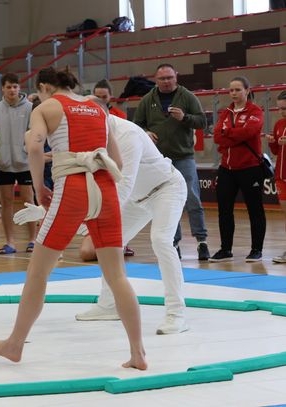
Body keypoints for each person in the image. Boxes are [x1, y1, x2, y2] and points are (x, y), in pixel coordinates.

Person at [0, 67, 147, 370]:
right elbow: (118, 161)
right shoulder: (98, 107)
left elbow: (34, 147)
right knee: (117, 275)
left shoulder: (46, 107)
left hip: (72, 188)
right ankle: (138, 353)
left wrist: (38, 186)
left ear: (45, 87)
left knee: (38, 272)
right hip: (106, 189)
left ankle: (15, 344)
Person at [75, 108, 189, 334]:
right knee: (109, 243)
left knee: (161, 240)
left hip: (166, 189)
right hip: (136, 198)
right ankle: (109, 304)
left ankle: (176, 314)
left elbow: (123, 185)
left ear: (104, 117)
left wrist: (90, 217)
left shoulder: (128, 135)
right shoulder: (92, 134)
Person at [133, 63, 209, 260]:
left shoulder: (187, 96)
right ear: (155, 80)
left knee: (192, 198)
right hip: (158, 161)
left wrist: (184, 118)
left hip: (183, 157)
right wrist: (145, 132)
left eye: (169, 78)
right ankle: (174, 244)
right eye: (162, 79)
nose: (166, 82)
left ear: (176, 76)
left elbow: (202, 121)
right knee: (168, 202)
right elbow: (136, 125)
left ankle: (201, 241)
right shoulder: (147, 99)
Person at [211, 76, 265, 262]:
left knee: (255, 209)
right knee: (224, 210)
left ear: (247, 91)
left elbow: (249, 132)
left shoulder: (255, 111)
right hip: (226, 168)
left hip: (250, 168)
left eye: (237, 90)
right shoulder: (225, 113)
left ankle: (256, 249)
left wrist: (227, 134)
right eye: (231, 90)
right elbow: (217, 137)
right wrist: (233, 136)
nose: (233, 93)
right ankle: (225, 249)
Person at [0, 73, 36, 254]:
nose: (12, 90)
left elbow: (35, 132)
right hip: (4, 164)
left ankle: (33, 240)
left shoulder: (30, 108)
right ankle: (10, 242)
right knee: (6, 202)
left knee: (28, 201)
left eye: (15, 86)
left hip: (25, 164)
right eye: (9, 87)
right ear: (3, 89)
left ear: (19, 87)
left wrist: (26, 149)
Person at [93, 79, 134, 256]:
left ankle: (123, 241)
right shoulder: (90, 115)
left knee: (121, 202)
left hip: (118, 161)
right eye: (97, 96)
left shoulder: (119, 116)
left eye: (104, 97)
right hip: (99, 162)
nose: (101, 100)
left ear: (110, 96)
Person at [268, 90, 286, 263]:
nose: (282, 112)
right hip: (281, 175)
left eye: (285, 108)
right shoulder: (279, 124)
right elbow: (276, 151)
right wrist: (272, 143)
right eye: (280, 108)